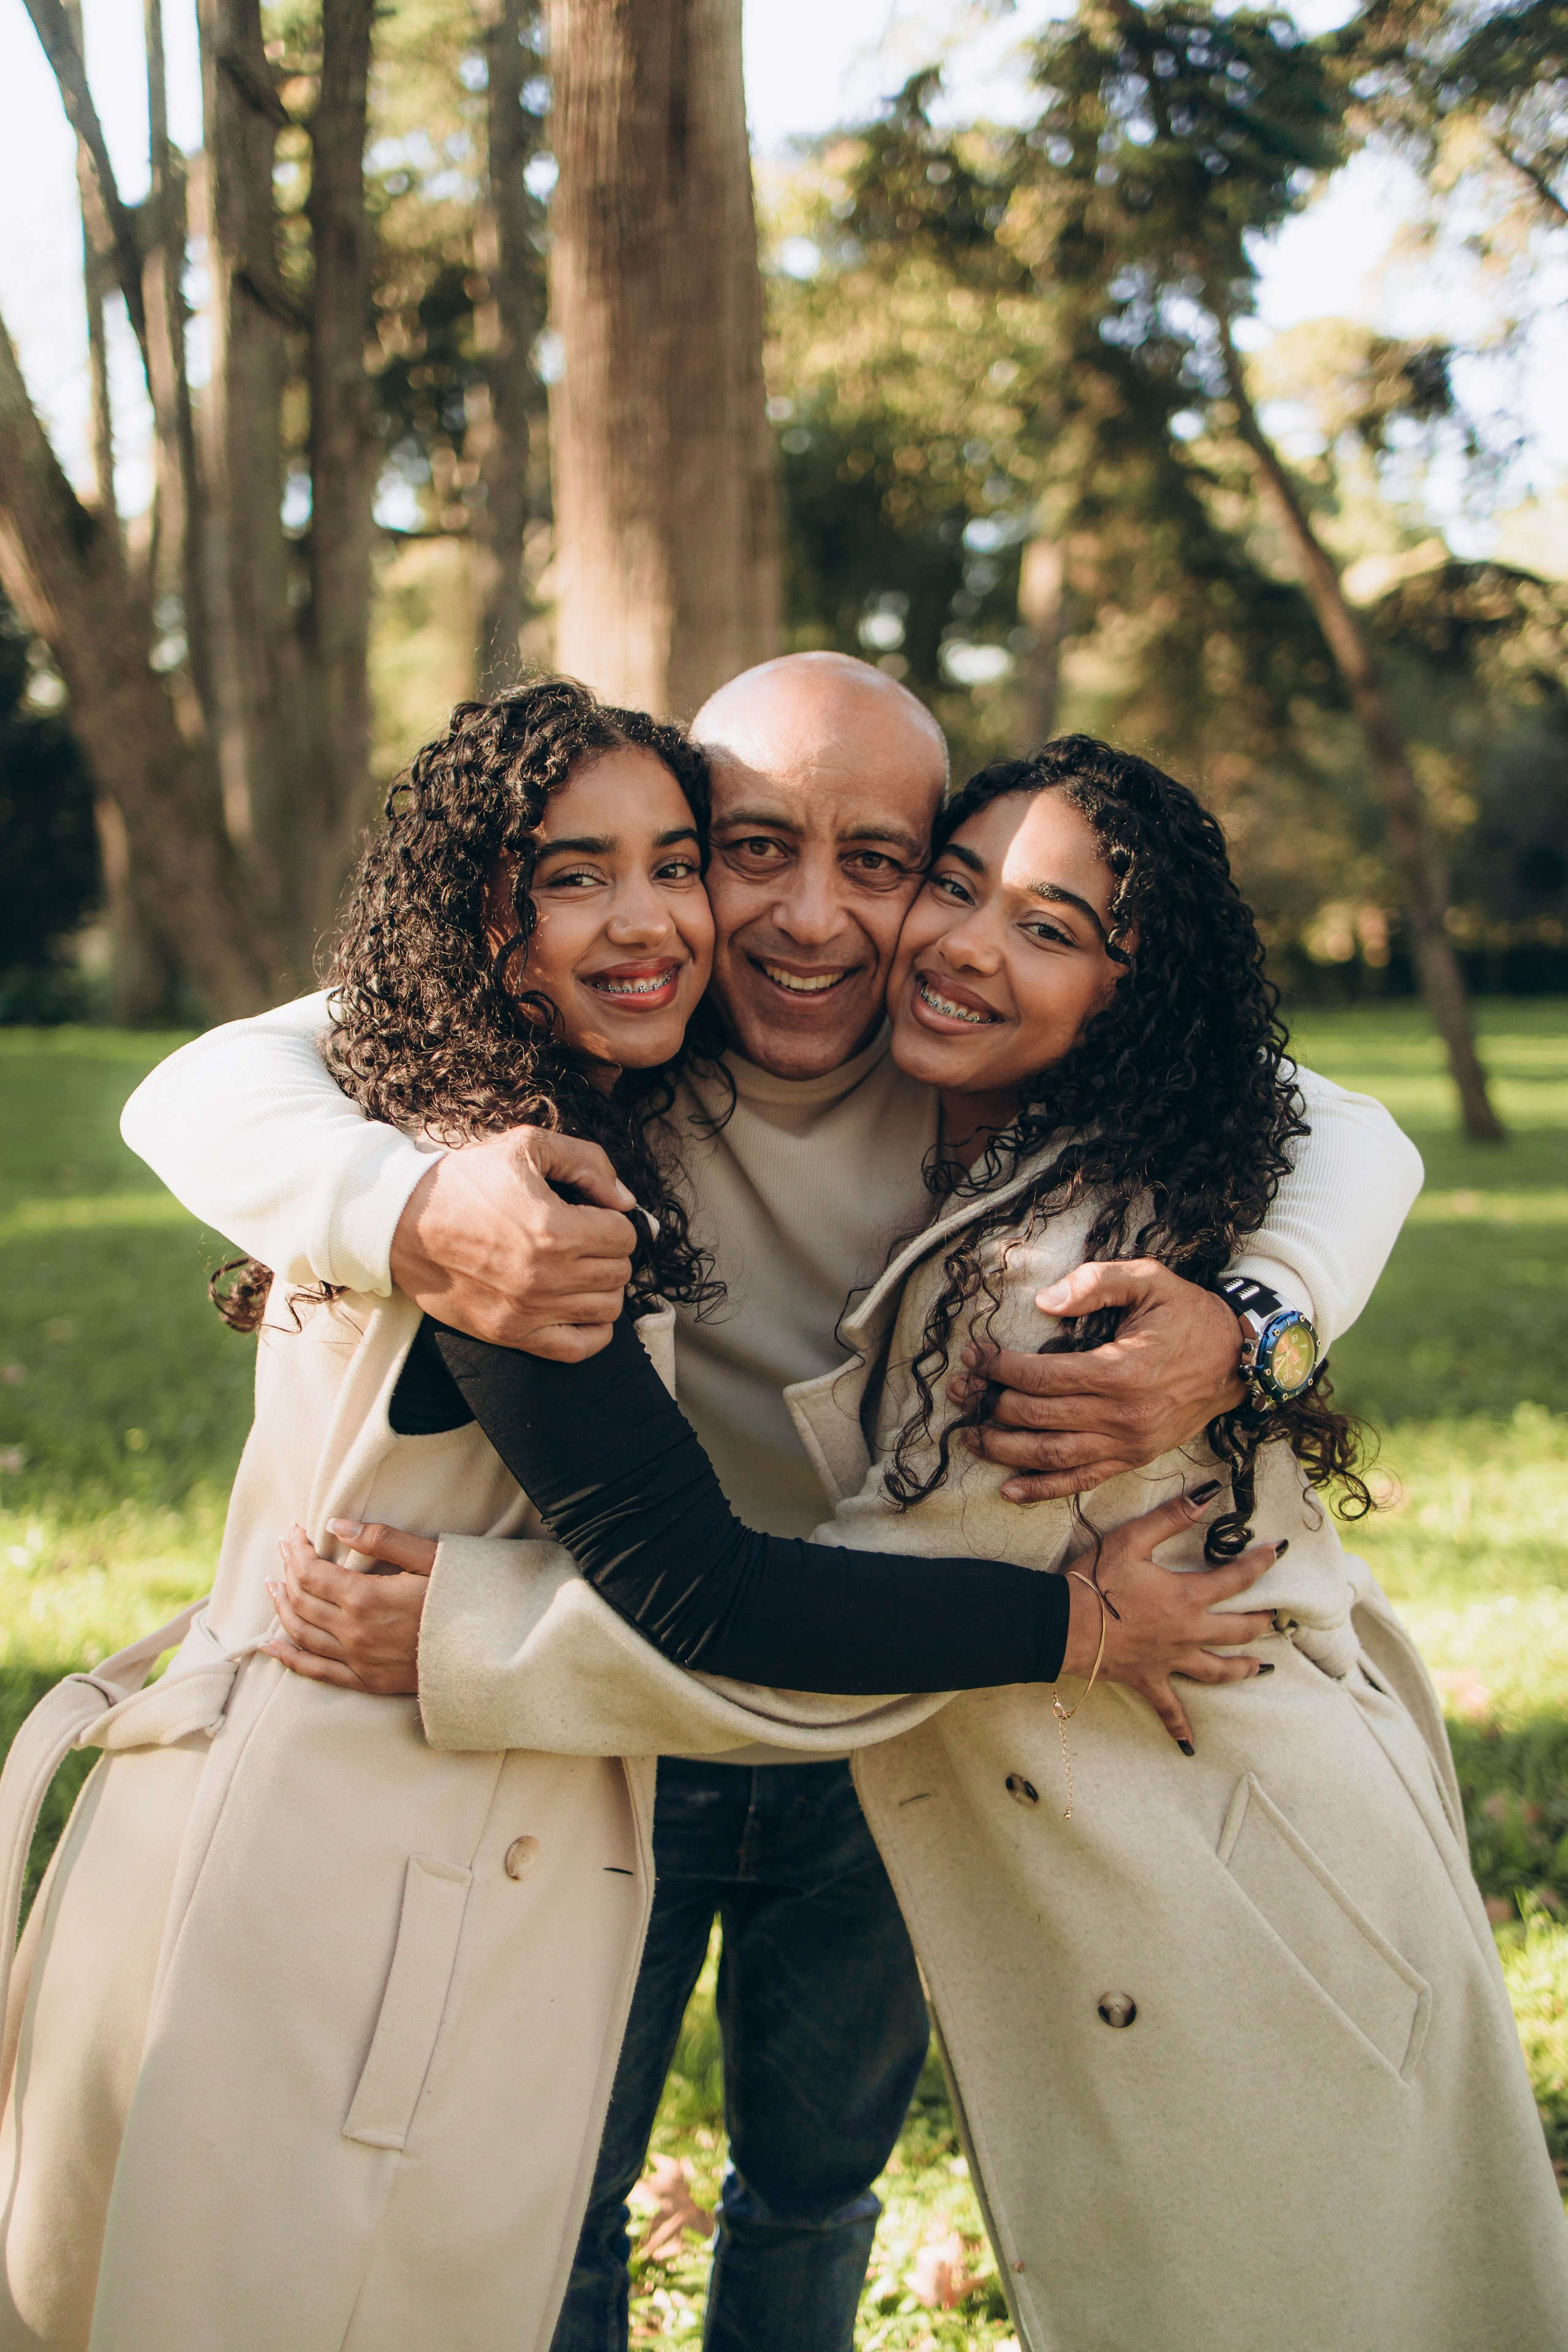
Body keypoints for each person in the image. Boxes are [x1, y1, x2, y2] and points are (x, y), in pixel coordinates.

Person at [119, 654, 1426, 2352]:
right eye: (751, 849)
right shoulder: (604, 1035)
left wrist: (1256, 1327)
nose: (813, 921)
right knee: (553, 2188)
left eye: (881, 863)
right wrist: (416, 1206)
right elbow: (198, 1087)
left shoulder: (962, 1053)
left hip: (887, 1707)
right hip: (607, 1724)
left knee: (815, 2184)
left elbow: (1352, 1130)